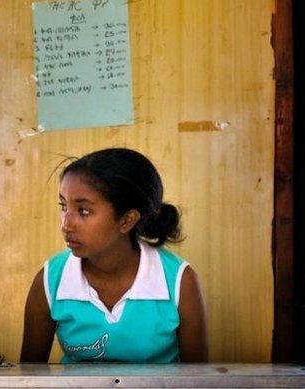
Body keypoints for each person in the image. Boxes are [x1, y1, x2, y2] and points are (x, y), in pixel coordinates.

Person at [20, 148, 207, 363]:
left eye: (83, 210)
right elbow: (29, 377)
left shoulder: (179, 281)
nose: (66, 224)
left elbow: (199, 380)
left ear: (127, 220)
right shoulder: (49, 280)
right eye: (64, 206)